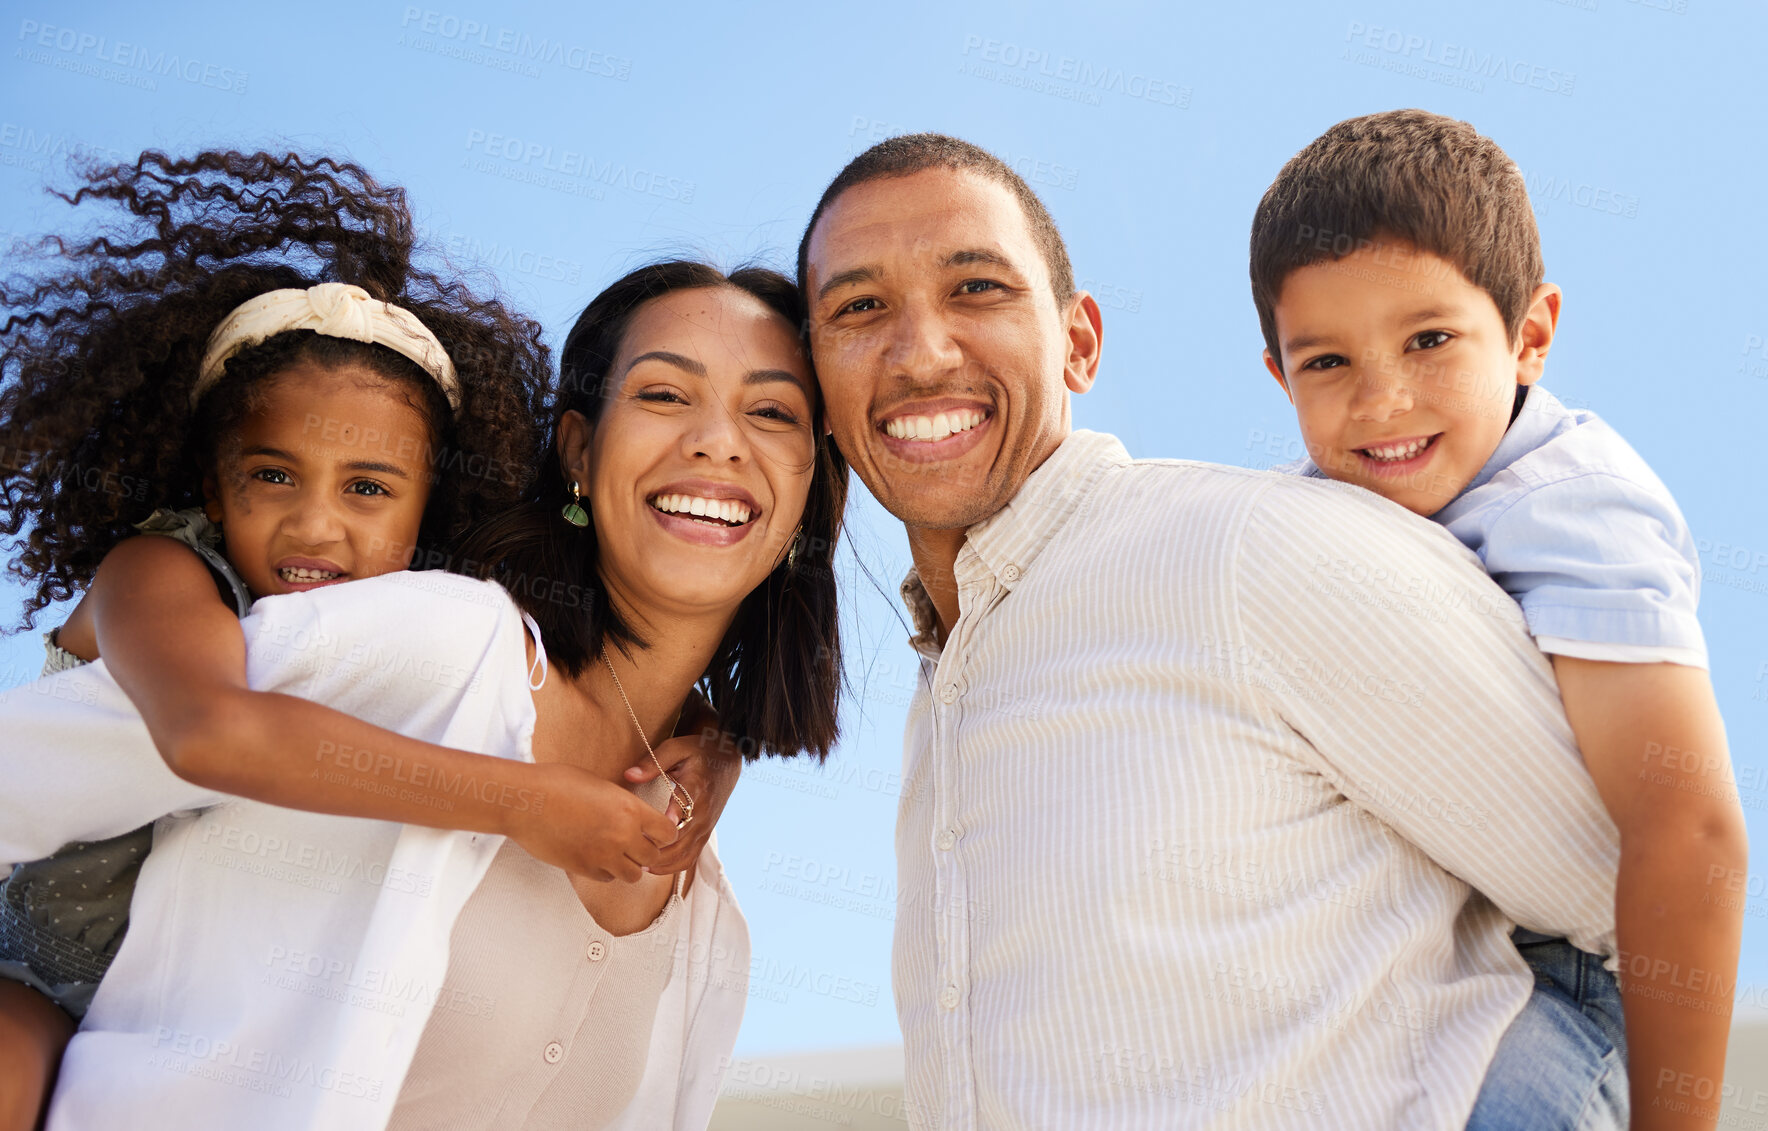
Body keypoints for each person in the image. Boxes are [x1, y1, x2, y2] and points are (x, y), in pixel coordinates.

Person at [795, 132, 1743, 1130]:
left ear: (1078, 344)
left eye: (977, 289)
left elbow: (1625, 877)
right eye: (859, 308)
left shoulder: (1256, 550)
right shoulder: (948, 694)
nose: (921, 351)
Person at [0, 151, 844, 1129]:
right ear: (577, 449)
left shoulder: (696, 850)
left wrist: (718, 736)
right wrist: (514, 801)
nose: (716, 441)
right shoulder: (431, 639)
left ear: (811, 485)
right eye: (663, 394)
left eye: (773, 411)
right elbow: (73, 758)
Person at [1249, 108, 1746, 1129]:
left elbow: (1685, 824)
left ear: (1528, 336)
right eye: (1327, 363)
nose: (1383, 402)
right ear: (1278, 375)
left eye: (1429, 340)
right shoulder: (1308, 516)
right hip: (1391, 957)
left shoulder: (1568, 505)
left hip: (1553, 982)